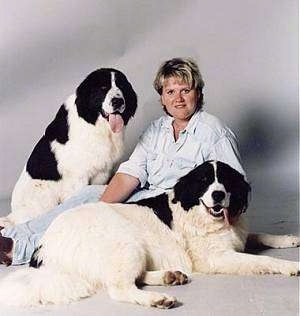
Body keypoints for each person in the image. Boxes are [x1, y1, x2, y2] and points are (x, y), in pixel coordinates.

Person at [0, 57, 245, 266]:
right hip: (146, 196)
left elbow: (234, 184)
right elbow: (130, 174)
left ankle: (18, 250)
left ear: (198, 93)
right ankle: (13, 236)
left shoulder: (213, 131)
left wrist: (226, 226)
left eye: (185, 90)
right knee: (86, 197)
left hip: (176, 210)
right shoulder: (157, 130)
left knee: (92, 213)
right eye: (170, 92)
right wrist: (99, 204)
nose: (178, 98)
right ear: (162, 99)